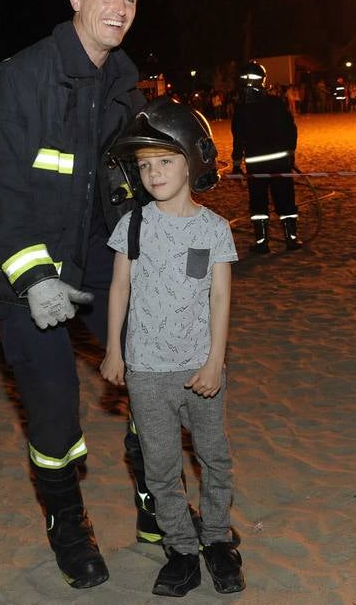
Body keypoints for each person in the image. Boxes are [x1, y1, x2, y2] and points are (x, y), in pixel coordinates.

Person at [0, 0, 149, 589]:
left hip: (100, 260)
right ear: (75, 0)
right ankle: (68, 524)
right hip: (29, 275)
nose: (119, 9)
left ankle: (156, 506)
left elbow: (129, 181)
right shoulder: (21, 77)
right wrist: (34, 277)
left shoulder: (125, 80)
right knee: (54, 412)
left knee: (154, 370)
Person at [100, 99, 244, 597]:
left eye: (164, 161)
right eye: (145, 165)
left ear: (192, 160)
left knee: (213, 457)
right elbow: (120, 288)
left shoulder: (212, 230)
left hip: (197, 370)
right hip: (146, 372)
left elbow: (219, 295)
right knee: (159, 467)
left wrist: (214, 361)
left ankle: (218, 540)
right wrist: (115, 351)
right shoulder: (132, 225)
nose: (153, 173)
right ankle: (181, 549)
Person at [231, 61, 300, 254]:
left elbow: (238, 140)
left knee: (259, 204)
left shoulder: (241, 110)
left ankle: (262, 243)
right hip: (280, 163)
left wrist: (236, 165)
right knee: (285, 200)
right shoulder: (277, 103)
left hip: (256, 166)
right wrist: (290, 153)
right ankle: (291, 239)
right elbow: (291, 130)